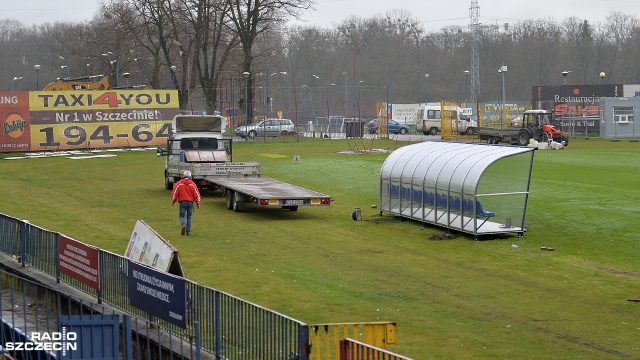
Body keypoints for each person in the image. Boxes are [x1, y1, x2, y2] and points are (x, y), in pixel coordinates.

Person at [171, 170, 201, 236]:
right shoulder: (192, 184)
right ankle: (188, 231)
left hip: (182, 202)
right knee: (189, 217)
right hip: (190, 203)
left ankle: (183, 224)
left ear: (183, 176)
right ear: (190, 176)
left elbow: (175, 194)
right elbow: (197, 195)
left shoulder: (179, 183)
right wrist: (198, 203)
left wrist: (173, 201)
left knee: (181, 216)